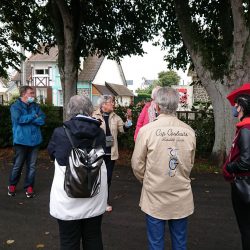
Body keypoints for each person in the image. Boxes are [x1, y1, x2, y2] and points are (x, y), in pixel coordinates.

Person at [131, 87, 196, 250]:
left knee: (155, 243)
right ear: (176, 106)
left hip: (155, 195)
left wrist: (147, 179)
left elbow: (137, 164)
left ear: (157, 106)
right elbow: (190, 163)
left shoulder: (146, 131)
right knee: (180, 242)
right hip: (180, 194)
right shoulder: (189, 131)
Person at [47, 95, 107, 250]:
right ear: (90, 110)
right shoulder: (99, 133)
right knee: (93, 237)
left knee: (68, 241)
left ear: (69, 111)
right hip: (94, 191)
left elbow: (53, 153)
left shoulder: (60, 132)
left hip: (67, 197)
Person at [93, 95, 132, 212]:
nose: (113, 104)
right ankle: (94, 202)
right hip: (97, 152)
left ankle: (104, 201)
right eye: (111, 102)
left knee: (108, 178)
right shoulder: (93, 115)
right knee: (96, 177)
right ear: (103, 104)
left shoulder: (115, 116)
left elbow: (123, 129)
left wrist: (129, 119)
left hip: (110, 152)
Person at [223, 85, 250, 250]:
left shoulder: (246, 129)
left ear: (243, 106)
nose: (235, 107)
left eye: (237, 104)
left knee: (246, 228)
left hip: (244, 184)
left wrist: (229, 166)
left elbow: (246, 161)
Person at [8, 86, 45, 198]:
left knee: (32, 166)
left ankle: (29, 186)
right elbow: (19, 120)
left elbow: (42, 119)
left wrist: (31, 118)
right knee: (17, 165)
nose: (33, 95)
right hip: (21, 141)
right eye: (31, 93)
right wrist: (34, 116)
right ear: (23, 94)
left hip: (35, 141)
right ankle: (12, 185)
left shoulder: (36, 106)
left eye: (33, 93)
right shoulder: (15, 106)